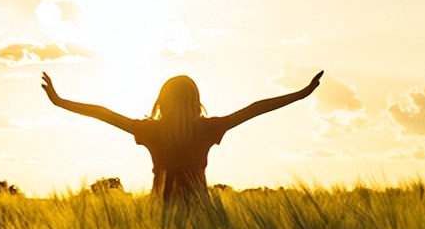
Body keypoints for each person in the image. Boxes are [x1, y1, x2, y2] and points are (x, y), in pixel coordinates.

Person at [41, 70, 323, 204]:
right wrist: (301, 94)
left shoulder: (150, 130)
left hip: (159, 213)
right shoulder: (208, 129)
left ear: (161, 101)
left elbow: (103, 113)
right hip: (204, 213)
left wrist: (60, 101)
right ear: (195, 100)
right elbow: (255, 109)